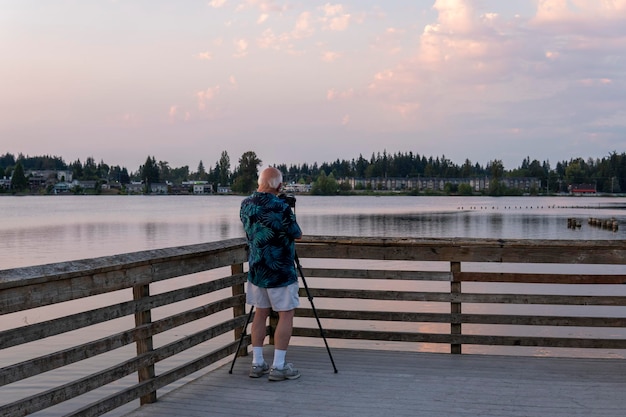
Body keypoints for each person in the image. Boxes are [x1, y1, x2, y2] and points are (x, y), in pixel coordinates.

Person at [240, 166, 303, 381]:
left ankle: (257, 363)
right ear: (278, 185)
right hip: (281, 271)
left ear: (260, 182)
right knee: (286, 314)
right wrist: (286, 207)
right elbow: (297, 234)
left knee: (260, 313)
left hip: (257, 269)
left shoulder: (246, 204)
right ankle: (279, 366)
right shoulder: (281, 206)